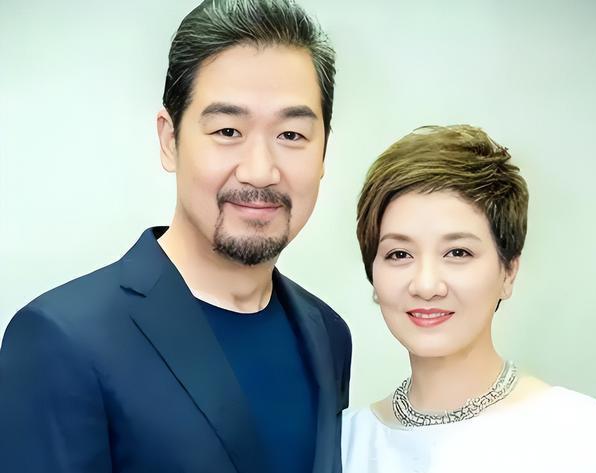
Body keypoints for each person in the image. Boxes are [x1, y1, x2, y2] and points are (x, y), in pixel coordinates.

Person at [0, 1, 351, 472]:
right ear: (170, 140)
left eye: (291, 135)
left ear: (323, 151)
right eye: (228, 130)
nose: (261, 171)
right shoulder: (61, 339)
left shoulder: (328, 333)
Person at [342, 125, 596, 472]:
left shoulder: (584, 437)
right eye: (399, 254)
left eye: (457, 252)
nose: (426, 285)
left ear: (508, 271)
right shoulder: (346, 444)